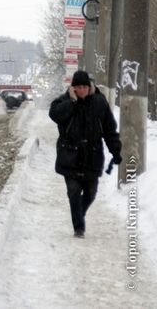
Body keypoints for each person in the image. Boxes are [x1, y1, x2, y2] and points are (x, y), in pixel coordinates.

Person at [49, 70, 122, 239]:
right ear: (73, 88)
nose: (81, 90)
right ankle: (79, 227)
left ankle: (78, 213)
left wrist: (115, 150)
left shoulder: (99, 102)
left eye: (84, 87)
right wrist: (72, 103)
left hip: (92, 156)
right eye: (78, 87)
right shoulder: (65, 101)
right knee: (74, 191)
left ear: (89, 87)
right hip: (70, 156)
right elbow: (54, 115)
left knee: (91, 192)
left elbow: (109, 130)